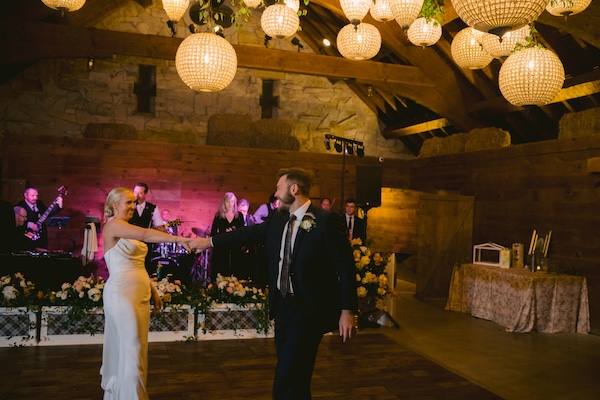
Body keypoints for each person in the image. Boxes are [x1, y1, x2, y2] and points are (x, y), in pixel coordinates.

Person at [191, 167, 357, 399]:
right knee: (296, 372)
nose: (276, 194)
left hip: (308, 309)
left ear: (294, 189)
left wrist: (347, 309)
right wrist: (209, 242)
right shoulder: (278, 219)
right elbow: (245, 234)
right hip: (282, 307)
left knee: (287, 371)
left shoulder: (326, 221)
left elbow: (346, 267)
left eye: (279, 188)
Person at [100, 187, 191, 399]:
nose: (134, 206)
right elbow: (144, 234)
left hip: (138, 294)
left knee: (138, 350)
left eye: (134, 202)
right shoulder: (113, 226)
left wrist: (154, 292)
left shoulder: (127, 227)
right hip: (121, 294)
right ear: (115, 205)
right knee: (131, 350)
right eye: (129, 202)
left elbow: (138, 266)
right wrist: (179, 240)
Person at [209, 192, 245, 281]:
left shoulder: (239, 216)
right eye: (227, 202)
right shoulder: (218, 216)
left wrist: (233, 233)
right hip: (221, 249)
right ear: (223, 202)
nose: (230, 204)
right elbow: (213, 234)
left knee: (235, 273)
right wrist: (224, 234)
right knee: (221, 272)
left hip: (235, 249)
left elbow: (242, 232)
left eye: (232, 202)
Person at [15, 186, 63, 250]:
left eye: (36, 196)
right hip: (27, 241)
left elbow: (48, 213)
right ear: (25, 195)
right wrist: (29, 224)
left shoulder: (39, 204)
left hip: (41, 239)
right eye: (33, 195)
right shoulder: (20, 205)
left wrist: (59, 206)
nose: (35, 198)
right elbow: (15, 222)